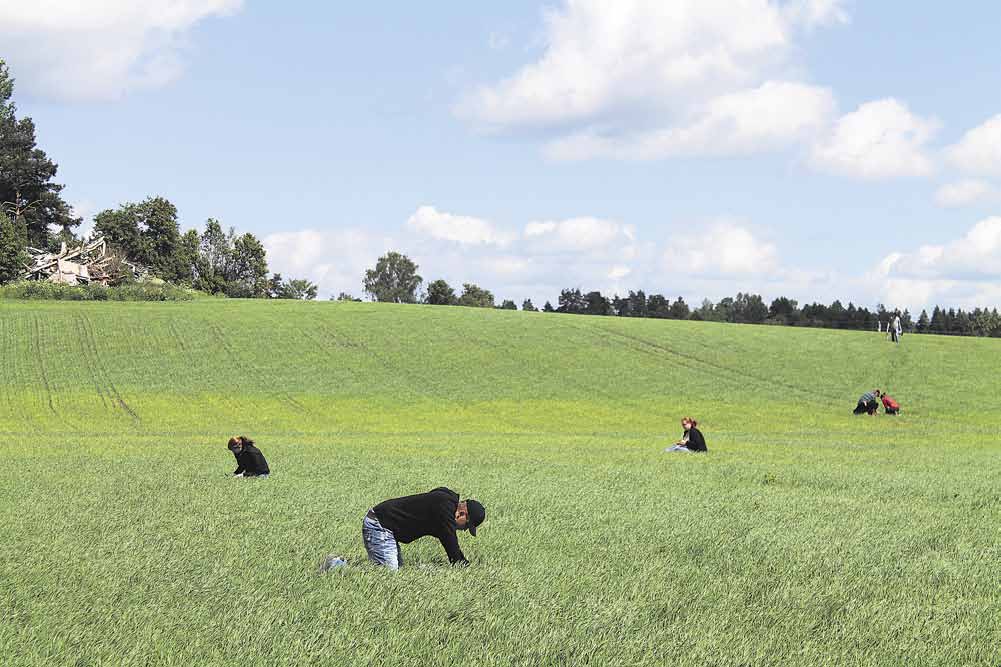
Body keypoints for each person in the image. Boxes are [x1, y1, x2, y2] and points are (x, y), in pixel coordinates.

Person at [362, 487, 485, 570]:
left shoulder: (445, 501)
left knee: (396, 569)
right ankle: (342, 566)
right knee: (388, 574)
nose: (463, 530)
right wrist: (463, 566)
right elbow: (450, 542)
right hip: (380, 526)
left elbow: (447, 536)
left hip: (386, 527)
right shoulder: (445, 508)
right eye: (466, 526)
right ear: (462, 514)